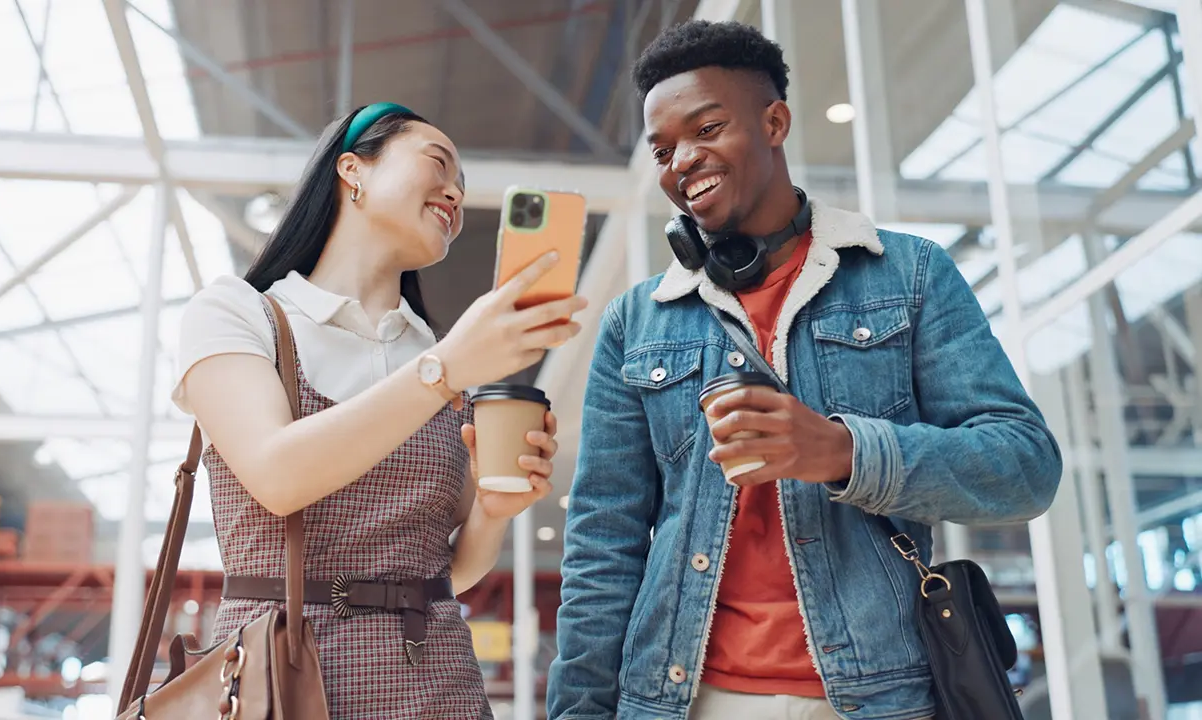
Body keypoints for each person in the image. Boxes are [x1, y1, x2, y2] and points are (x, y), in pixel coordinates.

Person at [547, 21, 1061, 720]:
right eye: (662, 149)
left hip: (876, 700)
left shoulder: (908, 276)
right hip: (682, 700)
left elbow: (1024, 467)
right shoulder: (634, 325)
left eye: (706, 129)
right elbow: (601, 548)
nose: (681, 162)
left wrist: (843, 451)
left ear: (774, 120)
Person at [173, 102, 586, 719]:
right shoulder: (239, 313)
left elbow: (450, 572)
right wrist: (444, 371)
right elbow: (278, 476)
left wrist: (495, 513)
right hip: (279, 681)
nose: (455, 192)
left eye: (463, 187)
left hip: (436, 680)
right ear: (352, 171)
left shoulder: (444, 356)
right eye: (438, 164)